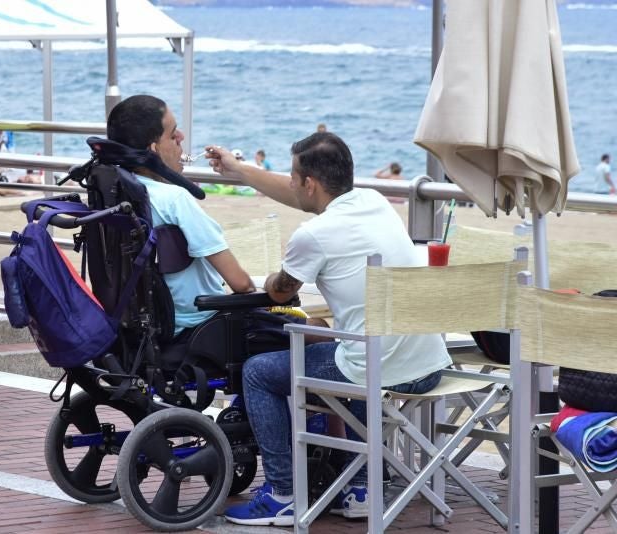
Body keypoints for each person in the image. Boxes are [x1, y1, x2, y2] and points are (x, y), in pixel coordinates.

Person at [207, 132, 452, 526]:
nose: (289, 182)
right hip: (428, 363)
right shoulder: (374, 202)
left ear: (310, 183)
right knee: (353, 347)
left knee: (260, 372)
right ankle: (360, 489)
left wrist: (275, 277)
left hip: (377, 370)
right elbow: (300, 198)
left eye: (293, 176)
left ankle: (282, 494)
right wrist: (239, 170)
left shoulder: (312, 236)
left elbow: (281, 291)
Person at [106, 95, 256, 337]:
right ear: (153, 149)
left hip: (144, 327)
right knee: (315, 329)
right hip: (201, 326)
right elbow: (241, 284)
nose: (181, 137)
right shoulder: (174, 199)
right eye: (173, 133)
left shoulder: (115, 193)